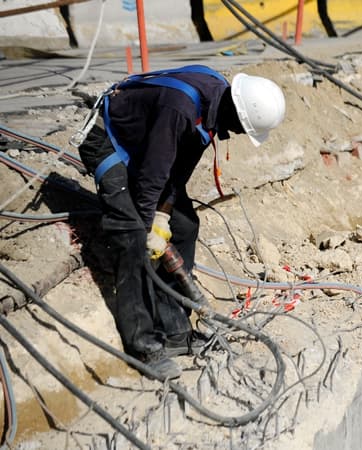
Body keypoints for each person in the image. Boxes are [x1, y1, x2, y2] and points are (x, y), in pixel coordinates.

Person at [77, 66, 286, 379]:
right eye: (242, 128)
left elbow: (179, 167)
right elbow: (151, 175)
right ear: (237, 113)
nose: (240, 134)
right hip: (108, 138)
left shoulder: (214, 104)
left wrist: (165, 214)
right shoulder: (181, 108)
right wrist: (149, 226)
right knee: (131, 236)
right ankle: (143, 347)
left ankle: (174, 331)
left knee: (185, 226)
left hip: (146, 145)